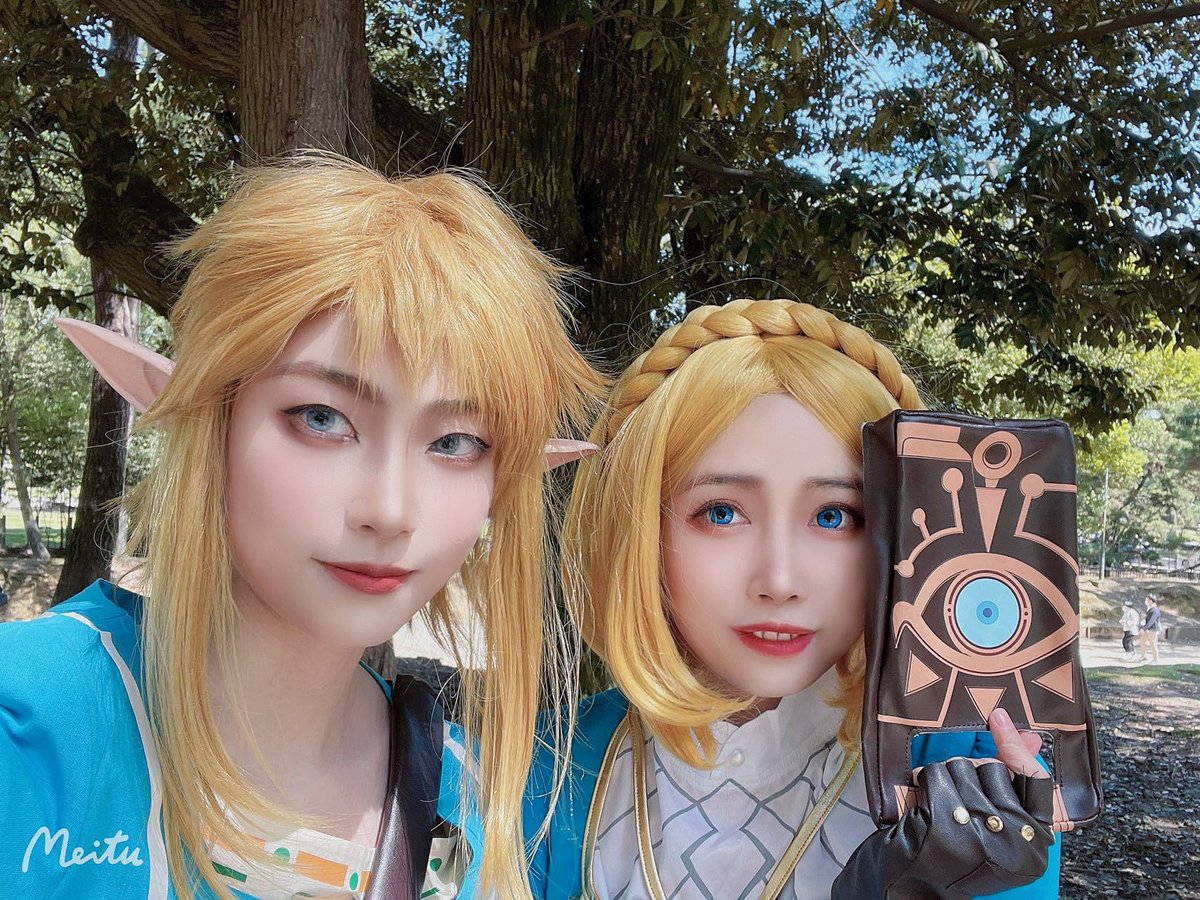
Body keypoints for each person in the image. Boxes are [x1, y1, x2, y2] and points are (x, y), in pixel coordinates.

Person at [0, 157, 602, 900]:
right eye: (322, 418)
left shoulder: (464, 798)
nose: (390, 511)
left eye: (455, 442)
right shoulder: (30, 723)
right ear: (213, 419)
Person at [509, 299, 1059, 899]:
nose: (780, 579)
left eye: (834, 516)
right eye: (722, 513)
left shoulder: (975, 791)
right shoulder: (539, 768)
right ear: (637, 530)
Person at [1139, 594, 1162, 663]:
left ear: (1151, 601)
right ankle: (1143, 657)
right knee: (1142, 642)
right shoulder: (1150, 609)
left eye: (1147, 600)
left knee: (1153, 644)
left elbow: (1151, 621)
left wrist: (1144, 628)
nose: (1146, 601)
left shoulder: (1155, 610)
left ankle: (1156, 659)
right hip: (1147, 629)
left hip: (1153, 630)